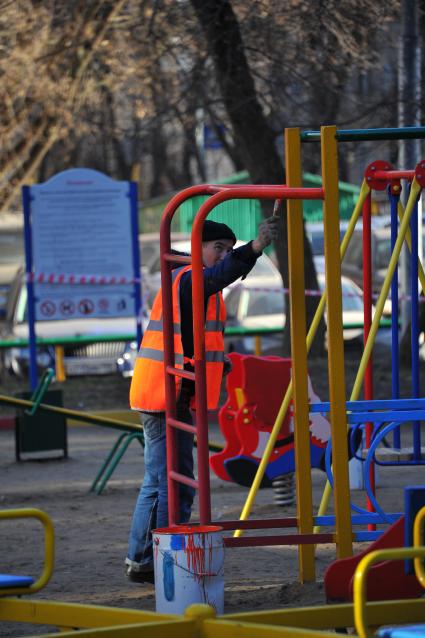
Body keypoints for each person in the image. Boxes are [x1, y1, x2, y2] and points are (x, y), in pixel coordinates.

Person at [125, 216, 279, 583]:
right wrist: (254, 249)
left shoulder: (188, 279)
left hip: (169, 390)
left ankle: (143, 557)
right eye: (218, 249)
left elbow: (192, 338)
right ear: (198, 248)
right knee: (171, 482)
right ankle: (163, 559)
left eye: (228, 249)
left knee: (160, 479)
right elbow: (213, 278)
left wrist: (216, 362)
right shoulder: (188, 277)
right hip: (165, 393)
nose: (223, 256)